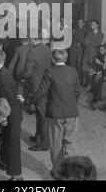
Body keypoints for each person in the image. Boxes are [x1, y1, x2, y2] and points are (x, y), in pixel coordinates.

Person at [20, 49, 81, 179]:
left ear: (53, 59)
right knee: (71, 143)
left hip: (55, 113)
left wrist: (27, 101)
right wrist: (70, 103)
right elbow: (77, 92)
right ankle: (71, 173)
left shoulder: (50, 71)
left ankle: (58, 172)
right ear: (66, 58)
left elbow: (41, 92)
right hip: (72, 113)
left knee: (56, 145)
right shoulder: (73, 71)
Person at [0, 50, 23, 181]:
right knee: (6, 141)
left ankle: (17, 176)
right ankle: (3, 163)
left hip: (11, 116)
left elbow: (8, 101)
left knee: (13, 145)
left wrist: (4, 119)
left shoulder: (3, 77)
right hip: (9, 114)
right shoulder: (1, 72)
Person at [19, 34, 52, 151]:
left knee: (41, 114)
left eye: (30, 40)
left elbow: (28, 71)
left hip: (36, 85)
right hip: (47, 84)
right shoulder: (48, 49)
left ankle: (43, 144)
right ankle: (39, 137)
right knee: (41, 113)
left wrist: (21, 76)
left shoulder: (32, 52)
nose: (30, 42)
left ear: (33, 39)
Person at [82, 19, 104, 86]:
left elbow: (98, 44)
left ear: (97, 25)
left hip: (94, 53)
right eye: (91, 24)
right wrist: (90, 42)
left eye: (93, 24)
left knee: (92, 68)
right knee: (84, 67)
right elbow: (84, 42)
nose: (91, 26)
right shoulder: (89, 32)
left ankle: (90, 84)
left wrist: (90, 41)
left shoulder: (100, 34)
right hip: (86, 52)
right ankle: (84, 82)